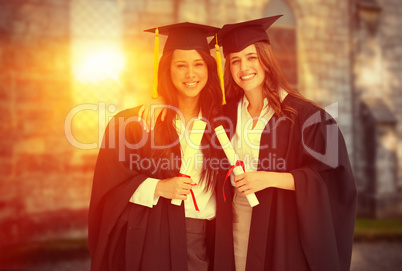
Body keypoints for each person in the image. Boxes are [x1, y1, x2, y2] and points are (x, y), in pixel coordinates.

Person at [213, 15, 357, 271]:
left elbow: (331, 178)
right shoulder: (226, 115)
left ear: (266, 59)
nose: (243, 67)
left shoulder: (308, 116)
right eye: (235, 61)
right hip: (235, 225)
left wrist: (269, 178)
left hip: (280, 233)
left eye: (251, 57)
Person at [88, 22, 235, 271]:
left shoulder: (224, 122)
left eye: (198, 64)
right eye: (181, 65)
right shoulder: (134, 123)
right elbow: (108, 187)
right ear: (167, 69)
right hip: (153, 240)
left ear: (210, 69)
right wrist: (158, 187)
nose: (191, 74)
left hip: (207, 240)